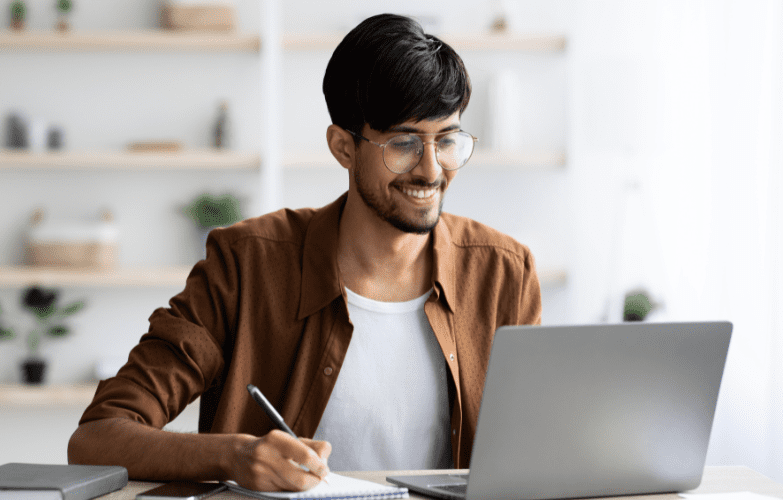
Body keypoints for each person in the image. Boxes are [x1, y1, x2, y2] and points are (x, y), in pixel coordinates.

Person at [67, 13, 542, 492]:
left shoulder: (504, 271)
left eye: (447, 140)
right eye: (403, 143)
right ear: (342, 147)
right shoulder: (244, 265)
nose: (431, 169)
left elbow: (542, 450)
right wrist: (233, 455)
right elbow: (97, 438)